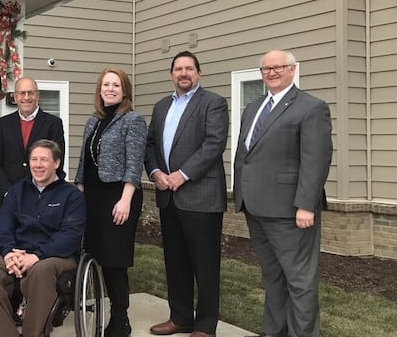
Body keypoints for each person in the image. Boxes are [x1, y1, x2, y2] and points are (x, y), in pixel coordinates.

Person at [233, 50, 332, 337]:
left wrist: (306, 205)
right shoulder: (253, 108)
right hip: (255, 207)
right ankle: (274, 331)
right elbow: (246, 154)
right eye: (266, 69)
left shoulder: (311, 107)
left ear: (292, 69)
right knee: (272, 277)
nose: (272, 72)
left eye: (278, 67)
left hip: (290, 211)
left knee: (300, 280)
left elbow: (316, 160)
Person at [145, 51, 229, 337]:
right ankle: (180, 317)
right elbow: (150, 144)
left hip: (201, 196)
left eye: (189, 68)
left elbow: (214, 144)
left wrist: (181, 175)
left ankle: (205, 325)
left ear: (199, 73)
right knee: (176, 262)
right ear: (171, 75)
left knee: (205, 264)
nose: (184, 73)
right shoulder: (161, 107)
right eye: (178, 69)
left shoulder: (213, 103)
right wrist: (155, 172)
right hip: (168, 196)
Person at [0, 139, 86, 337]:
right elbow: (4, 227)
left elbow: (70, 236)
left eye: (44, 159)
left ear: (56, 163)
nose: (38, 165)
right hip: (18, 252)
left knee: (40, 270)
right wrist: (8, 253)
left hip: (56, 256)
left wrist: (37, 256)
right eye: (34, 159)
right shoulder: (17, 191)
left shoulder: (71, 196)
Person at [75, 67, 147, 337]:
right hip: (93, 197)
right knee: (97, 255)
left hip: (119, 196)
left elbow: (134, 164)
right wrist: (78, 190)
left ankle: (120, 320)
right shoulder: (93, 121)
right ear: (100, 89)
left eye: (116, 85)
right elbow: (84, 161)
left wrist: (126, 200)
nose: (110, 89)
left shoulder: (133, 120)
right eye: (106, 85)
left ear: (124, 90)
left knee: (114, 260)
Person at [0, 77, 65, 199]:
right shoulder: (3, 124)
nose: (26, 97)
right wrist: (8, 193)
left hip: (42, 197)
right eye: (22, 93)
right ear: (15, 97)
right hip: (7, 198)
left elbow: (57, 161)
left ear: (38, 96)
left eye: (31, 93)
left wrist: (41, 192)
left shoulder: (53, 124)